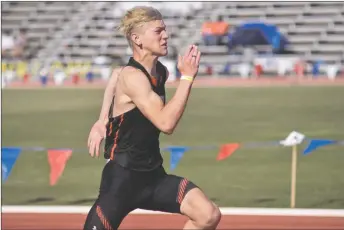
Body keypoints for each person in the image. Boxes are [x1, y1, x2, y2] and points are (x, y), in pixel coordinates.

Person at [84, 6, 221, 230]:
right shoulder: (133, 77)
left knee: (208, 214)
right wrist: (187, 77)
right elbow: (166, 124)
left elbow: (115, 75)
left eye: (165, 30)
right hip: (121, 180)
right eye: (158, 31)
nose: (165, 35)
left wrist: (102, 121)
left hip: (153, 177)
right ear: (137, 39)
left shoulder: (159, 71)